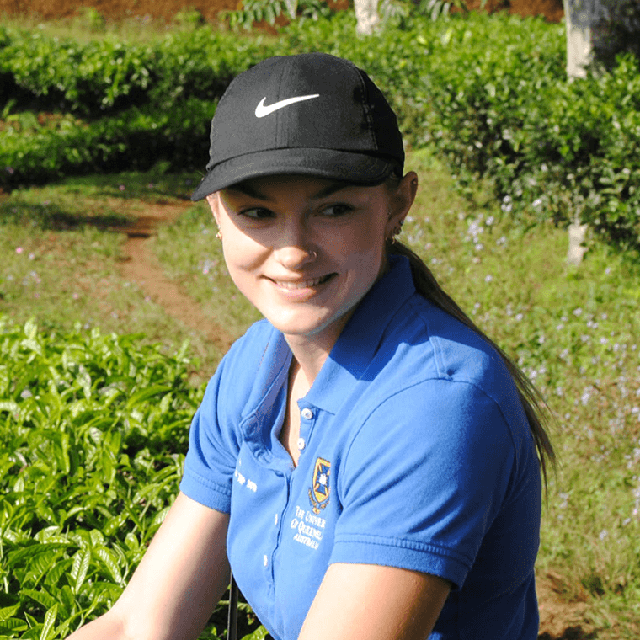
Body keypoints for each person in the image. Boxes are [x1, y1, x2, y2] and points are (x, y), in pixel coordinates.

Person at [68, 52, 555, 640]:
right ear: (217, 216)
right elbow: (138, 624)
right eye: (258, 212)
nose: (293, 251)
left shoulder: (435, 406)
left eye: (334, 209)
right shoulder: (256, 366)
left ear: (398, 204)